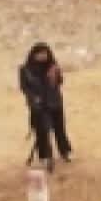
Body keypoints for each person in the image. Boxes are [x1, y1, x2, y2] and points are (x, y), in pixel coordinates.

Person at [19, 42, 72, 171]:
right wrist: (33, 99)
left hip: (54, 103)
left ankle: (64, 152)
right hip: (38, 106)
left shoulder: (52, 66)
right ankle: (45, 157)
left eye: (45, 53)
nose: (43, 56)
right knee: (42, 132)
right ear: (34, 55)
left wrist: (56, 75)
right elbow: (25, 88)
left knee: (60, 129)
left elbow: (59, 82)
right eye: (40, 54)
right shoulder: (25, 70)